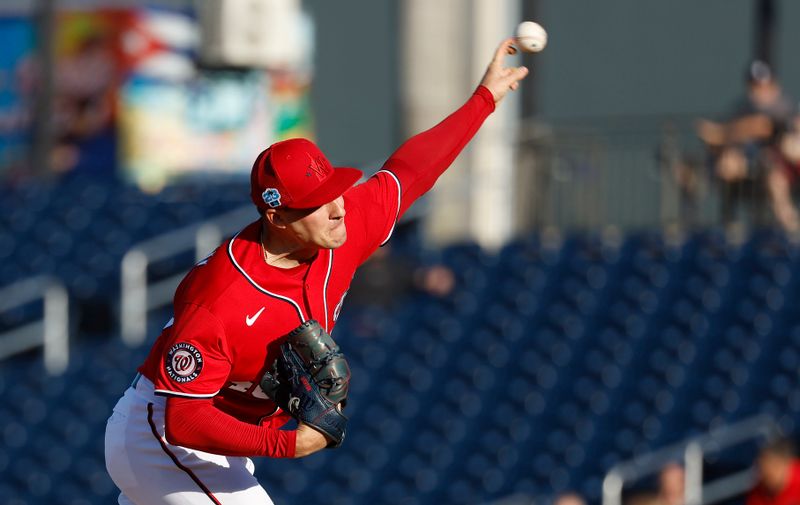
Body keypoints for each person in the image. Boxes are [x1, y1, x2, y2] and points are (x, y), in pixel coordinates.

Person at [104, 38, 528, 505]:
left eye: (335, 190)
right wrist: (287, 443)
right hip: (162, 439)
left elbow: (411, 172)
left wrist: (482, 101)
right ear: (277, 216)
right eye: (315, 203)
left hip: (221, 444)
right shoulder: (219, 297)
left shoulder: (339, 229)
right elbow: (182, 420)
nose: (337, 209)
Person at [696, 61, 798, 232]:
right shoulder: (743, 108)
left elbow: (763, 126)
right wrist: (721, 138)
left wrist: (722, 133)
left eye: (763, 85)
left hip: (782, 169)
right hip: (751, 167)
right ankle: (729, 226)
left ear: (774, 85)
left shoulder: (782, 106)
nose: (758, 91)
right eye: (755, 86)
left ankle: (792, 229)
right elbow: (712, 138)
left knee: (775, 178)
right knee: (726, 165)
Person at [746, 438, 800, 505]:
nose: (761, 476)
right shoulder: (757, 492)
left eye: (773, 466)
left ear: (784, 464)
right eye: (761, 469)